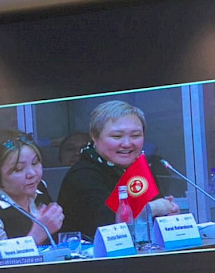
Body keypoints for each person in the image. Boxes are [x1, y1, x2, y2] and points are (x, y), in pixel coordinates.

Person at [57, 101, 179, 239]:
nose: (127, 144)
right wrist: (152, 209)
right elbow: (107, 226)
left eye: (135, 135)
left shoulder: (139, 168)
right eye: (117, 136)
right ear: (94, 137)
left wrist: (168, 215)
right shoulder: (82, 175)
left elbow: (153, 220)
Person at [0, 129, 64, 244]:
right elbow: (0, 255)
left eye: (35, 163)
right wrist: (36, 235)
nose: (32, 174)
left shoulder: (39, 187)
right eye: (18, 169)